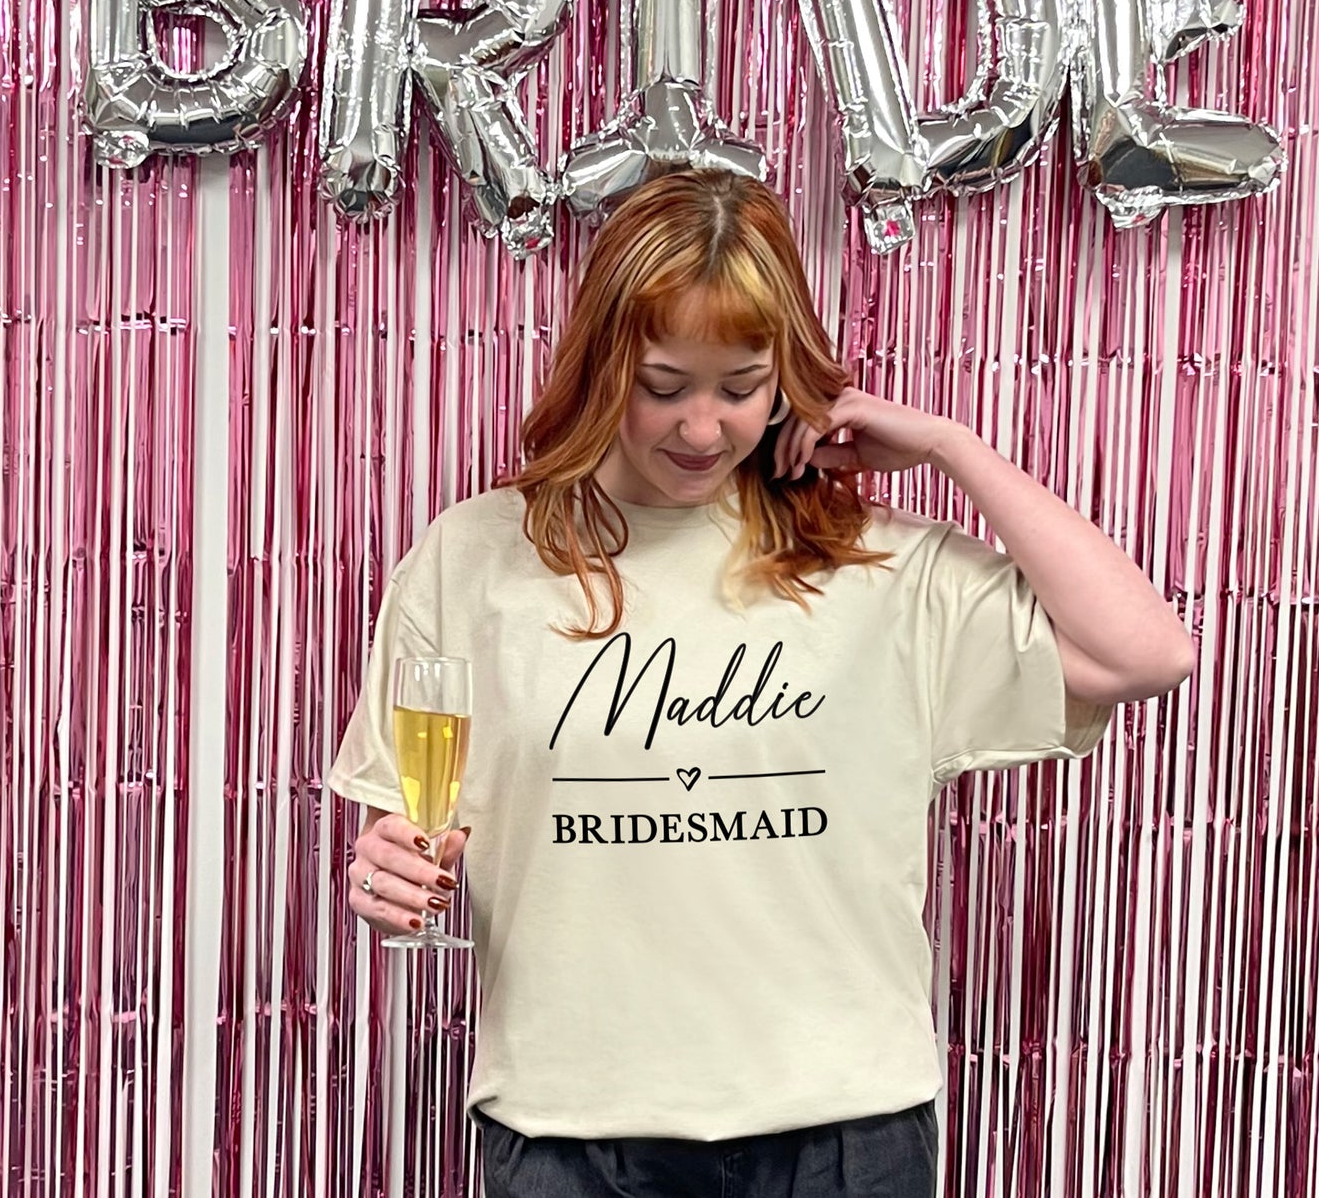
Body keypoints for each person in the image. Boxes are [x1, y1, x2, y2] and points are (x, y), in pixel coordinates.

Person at [326, 168, 1195, 1197]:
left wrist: (951, 448)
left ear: (784, 375)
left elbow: (1145, 653)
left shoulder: (875, 562)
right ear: (600, 363)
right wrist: (380, 875)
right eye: (662, 386)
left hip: (841, 1133)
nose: (701, 430)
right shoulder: (473, 557)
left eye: (739, 387)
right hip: (569, 1128)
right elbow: (402, 831)